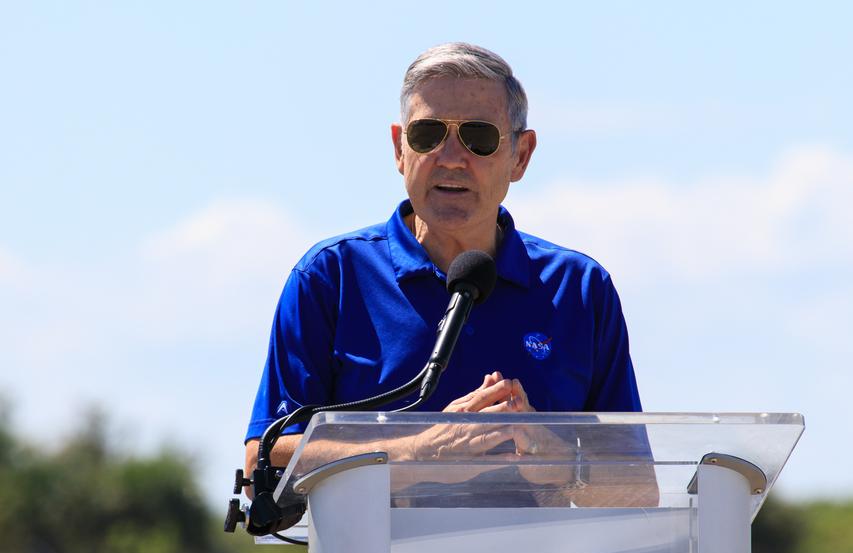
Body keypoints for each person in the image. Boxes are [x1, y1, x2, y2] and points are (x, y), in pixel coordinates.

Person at [243, 43, 644, 498]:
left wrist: (558, 462)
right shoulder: (330, 278)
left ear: (521, 156)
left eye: (479, 138)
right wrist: (419, 454)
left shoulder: (580, 289)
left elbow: (639, 488)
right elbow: (266, 465)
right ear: (399, 148)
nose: (451, 157)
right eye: (428, 134)